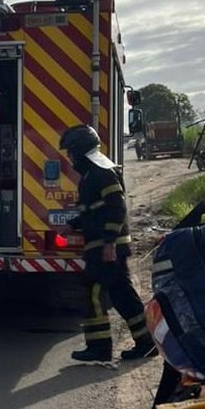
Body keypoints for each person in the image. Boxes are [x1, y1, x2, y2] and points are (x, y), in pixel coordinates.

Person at [59, 124, 156, 362]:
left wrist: (110, 243)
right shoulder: (93, 174)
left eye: (71, 152)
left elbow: (117, 207)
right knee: (120, 294)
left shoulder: (101, 173)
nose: (70, 158)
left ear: (80, 150)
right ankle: (143, 342)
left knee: (95, 293)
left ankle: (102, 347)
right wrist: (72, 224)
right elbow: (95, 211)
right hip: (102, 243)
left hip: (106, 244)